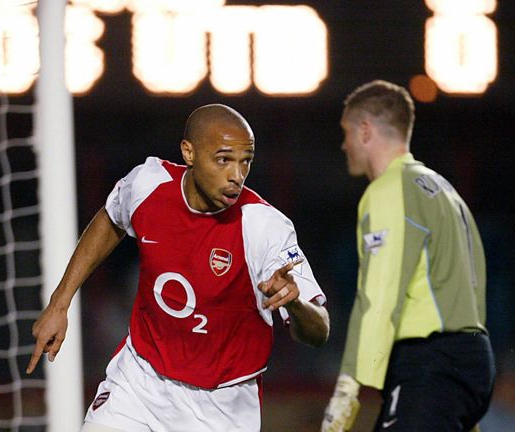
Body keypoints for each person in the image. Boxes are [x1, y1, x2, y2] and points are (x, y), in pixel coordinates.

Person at [26, 104, 329, 431]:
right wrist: (60, 303)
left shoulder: (263, 227)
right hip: (141, 382)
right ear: (189, 152)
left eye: (246, 162)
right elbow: (110, 219)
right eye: (224, 159)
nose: (236, 176)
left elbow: (318, 331)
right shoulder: (148, 184)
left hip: (221, 406)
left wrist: (295, 303)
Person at [321, 80, 495, 432]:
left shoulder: (388, 190)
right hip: (472, 361)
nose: (344, 144)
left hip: (431, 364)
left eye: (346, 132)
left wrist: (348, 385)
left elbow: (379, 292)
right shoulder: (445, 191)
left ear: (365, 130)